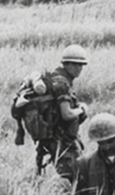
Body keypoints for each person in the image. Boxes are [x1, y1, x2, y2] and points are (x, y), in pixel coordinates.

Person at [34, 44, 89, 180]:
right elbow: (67, 114)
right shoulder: (62, 83)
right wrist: (81, 109)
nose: (79, 69)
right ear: (67, 64)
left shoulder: (58, 78)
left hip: (57, 138)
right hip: (61, 140)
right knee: (77, 177)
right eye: (76, 65)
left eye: (81, 65)